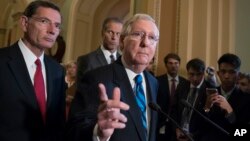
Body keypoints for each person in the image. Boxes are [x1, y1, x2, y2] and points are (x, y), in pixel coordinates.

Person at [66, 13, 159, 141]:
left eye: (152, 37)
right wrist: (98, 132)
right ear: (122, 41)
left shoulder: (153, 82)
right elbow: (75, 129)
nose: (146, 43)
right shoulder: (96, 78)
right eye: (138, 34)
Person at [0, 1, 66, 141]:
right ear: (24, 23)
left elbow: (59, 123)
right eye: (44, 21)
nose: (52, 30)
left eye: (57, 25)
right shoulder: (2, 61)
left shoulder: (58, 71)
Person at [202, 53, 250, 141]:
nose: (226, 76)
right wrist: (207, 108)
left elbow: (243, 132)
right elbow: (201, 126)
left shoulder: (246, 99)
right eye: (223, 72)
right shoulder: (207, 94)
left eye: (231, 72)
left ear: (238, 75)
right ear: (218, 73)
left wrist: (230, 112)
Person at [172, 58, 215, 141]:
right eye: (191, 74)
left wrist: (193, 135)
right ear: (187, 73)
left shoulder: (210, 89)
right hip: (178, 135)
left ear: (203, 74)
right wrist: (176, 128)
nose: (195, 78)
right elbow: (174, 110)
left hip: (198, 137)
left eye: (198, 74)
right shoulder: (182, 86)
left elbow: (210, 119)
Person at [76, 17, 123, 82]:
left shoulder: (123, 61)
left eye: (118, 34)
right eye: (110, 32)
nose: (114, 37)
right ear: (102, 33)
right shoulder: (86, 60)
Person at [156, 53, 188, 141]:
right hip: (161, 124)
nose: (173, 66)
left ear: (179, 64)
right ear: (166, 65)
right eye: (170, 63)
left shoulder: (185, 83)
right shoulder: (157, 81)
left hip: (178, 126)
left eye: (176, 63)